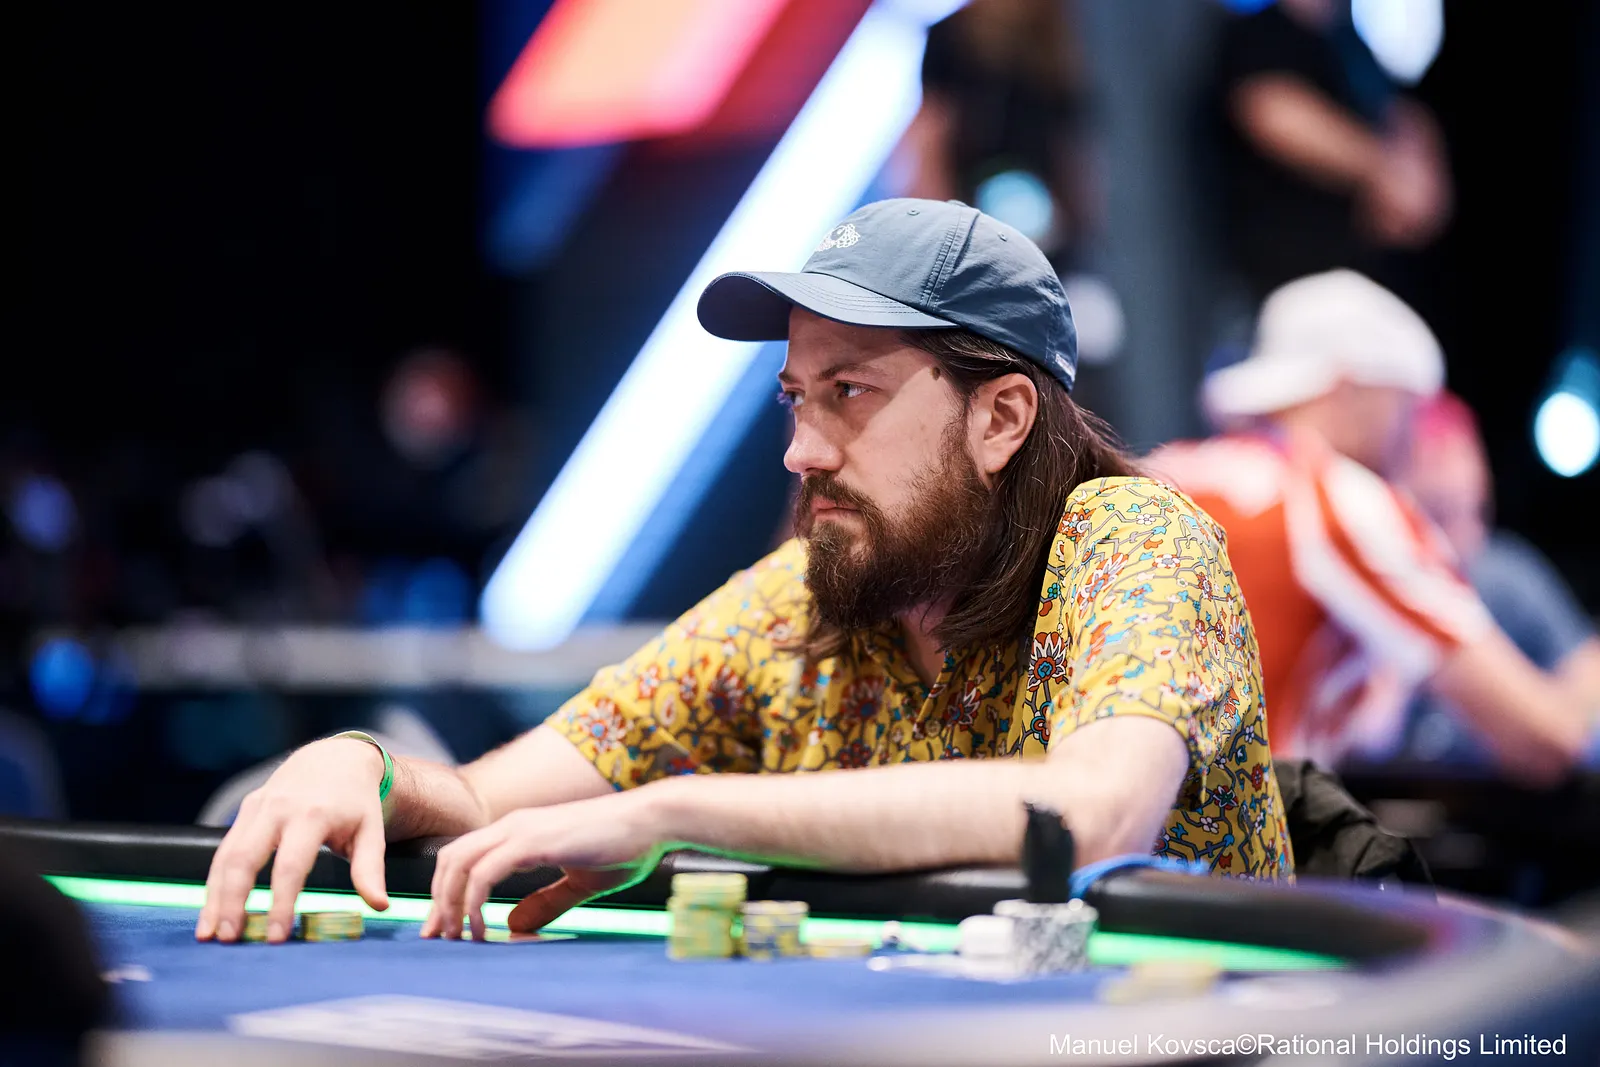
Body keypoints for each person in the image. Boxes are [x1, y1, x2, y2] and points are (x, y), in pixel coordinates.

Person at [195, 198, 1291, 947]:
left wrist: (676, 811)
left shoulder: (1131, 536)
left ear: (1000, 417)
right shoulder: (797, 599)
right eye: (795, 397)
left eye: (850, 392)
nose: (800, 450)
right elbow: (485, 797)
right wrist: (361, 765)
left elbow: (1091, 814)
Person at [1147, 270, 1596, 784]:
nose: (1409, 435)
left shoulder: (1163, 473)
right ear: (1349, 388)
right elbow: (1546, 741)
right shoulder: (1338, 500)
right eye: (1405, 406)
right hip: (1231, 827)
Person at [1395, 392, 1600, 765]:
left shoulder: (1504, 576)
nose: (1447, 474)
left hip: (1495, 788)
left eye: (1457, 453)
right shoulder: (1382, 574)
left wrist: (1542, 712)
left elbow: (1584, 687)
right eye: (1431, 457)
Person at [1206, 0, 1451, 301]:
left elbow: (1406, 114)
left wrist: (1418, 161)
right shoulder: (1270, 32)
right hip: (1255, 267)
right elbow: (1268, 109)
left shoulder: (1351, 41)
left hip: (1343, 282)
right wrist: (1383, 167)